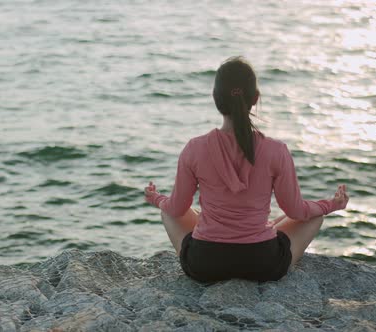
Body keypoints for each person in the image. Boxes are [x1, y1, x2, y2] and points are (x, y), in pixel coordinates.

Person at [143, 56, 349, 283]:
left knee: (168, 211)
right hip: (262, 263)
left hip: (204, 264)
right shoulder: (276, 150)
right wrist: (330, 205)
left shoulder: (195, 148)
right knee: (314, 216)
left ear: (215, 99)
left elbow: (176, 207)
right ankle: (260, 230)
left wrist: (157, 199)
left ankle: (244, 231)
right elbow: (297, 211)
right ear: (255, 98)